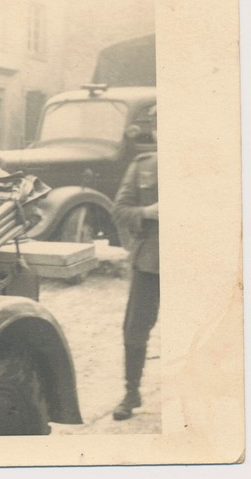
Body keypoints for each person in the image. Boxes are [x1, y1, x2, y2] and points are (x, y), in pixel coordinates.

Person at [111, 148, 159, 421]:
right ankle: (131, 393)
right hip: (150, 260)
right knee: (134, 328)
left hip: (192, 259)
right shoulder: (144, 165)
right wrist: (146, 212)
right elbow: (120, 210)